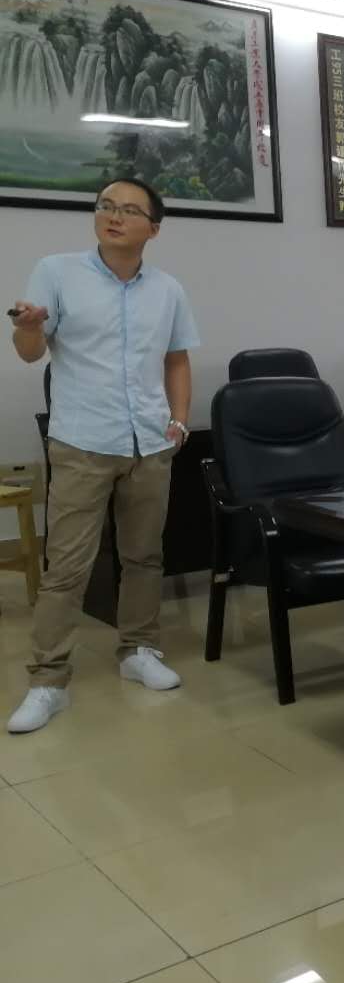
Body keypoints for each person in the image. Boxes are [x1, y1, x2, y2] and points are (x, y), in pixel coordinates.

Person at [8, 178, 198, 735]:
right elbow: (31, 353)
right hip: (82, 442)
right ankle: (47, 680)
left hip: (150, 442)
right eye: (106, 206)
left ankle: (139, 650)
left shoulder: (168, 289)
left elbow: (177, 359)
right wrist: (28, 328)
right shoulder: (56, 272)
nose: (114, 216)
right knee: (66, 566)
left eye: (129, 210)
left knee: (144, 556)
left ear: (153, 229)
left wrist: (179, 419)